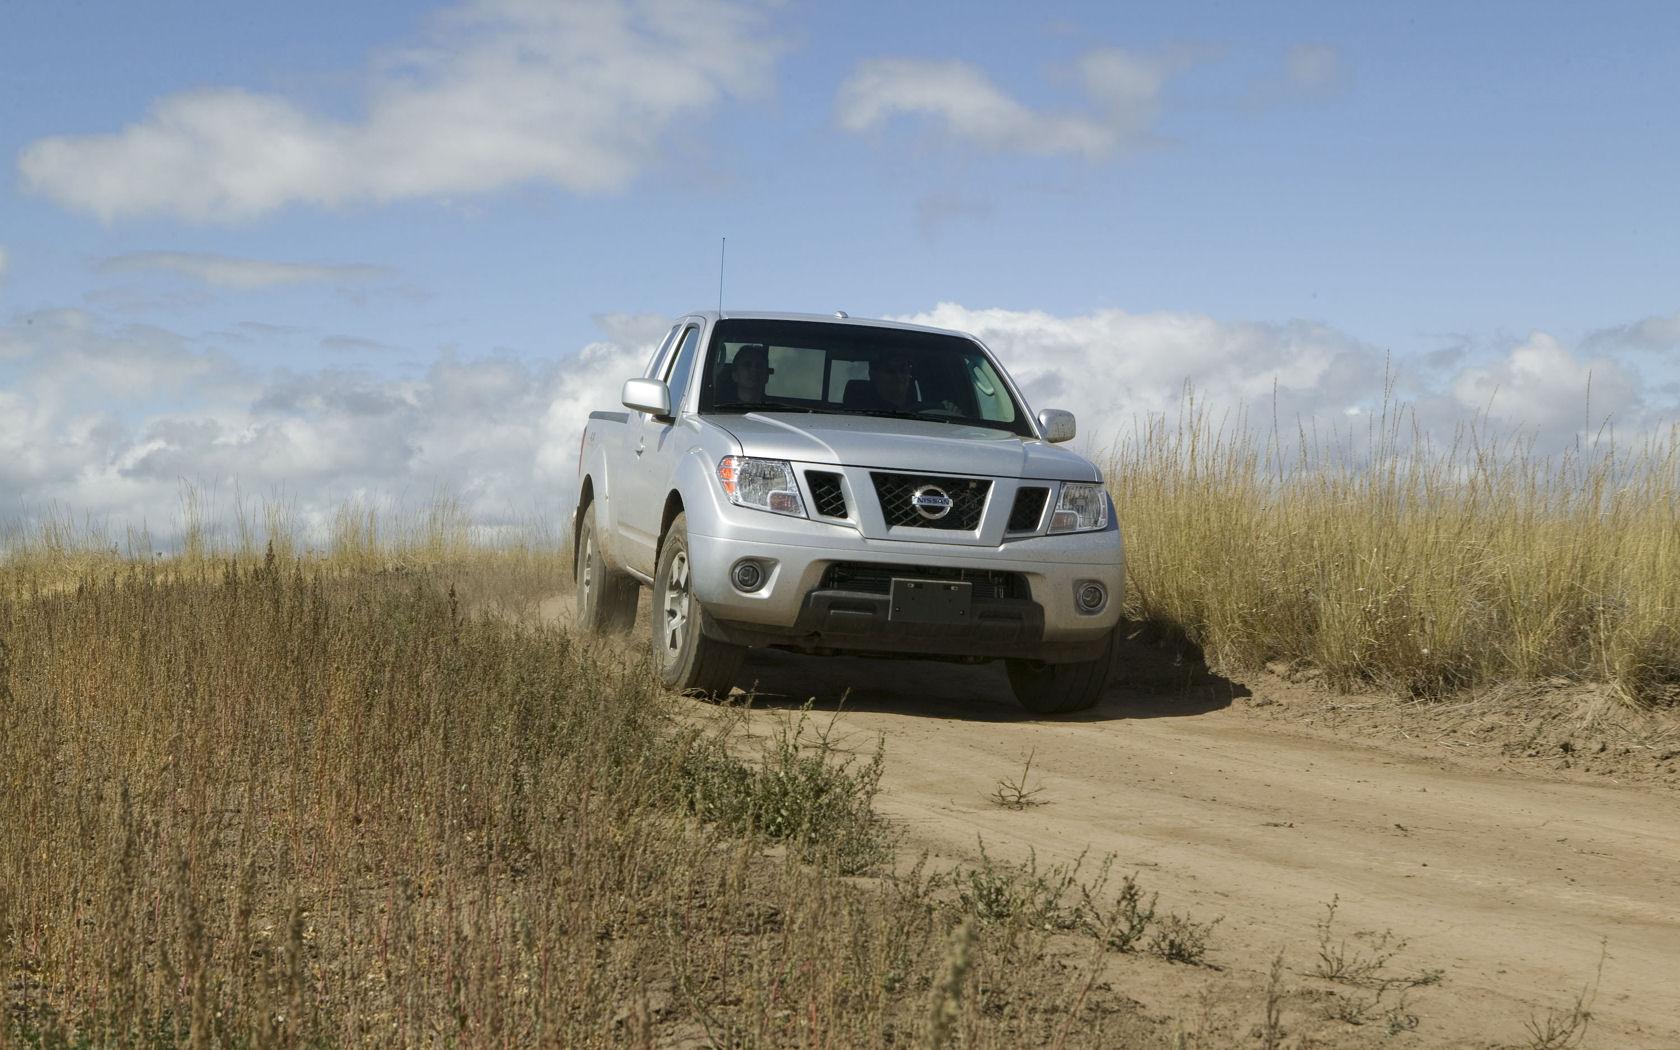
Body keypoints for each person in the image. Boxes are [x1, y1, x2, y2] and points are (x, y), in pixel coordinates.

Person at [844, 352, 919, 411]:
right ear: (873, 375)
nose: (898, 376)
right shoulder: (860, 412)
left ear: (909, 374)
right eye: (890, 371)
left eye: (903, 370)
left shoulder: (925, 412)